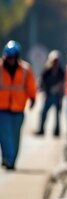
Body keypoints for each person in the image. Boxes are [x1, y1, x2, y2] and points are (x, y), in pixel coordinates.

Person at [0, 41, 37, 170]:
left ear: (17, 57)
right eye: (8, 57)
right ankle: (8, 159)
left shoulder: (25, 69)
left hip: (18, 109)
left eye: (13, 57)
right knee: (4, 135)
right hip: (2, 108)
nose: (10, 60)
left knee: (15, 137)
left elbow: (31, 86)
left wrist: (33, 98)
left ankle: (12, 160)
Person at [36, 50, 65, 137]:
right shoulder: (46, 71)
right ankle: (41, 130)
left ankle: (57, 131)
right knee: (43, 113)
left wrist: (58, 88)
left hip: (57, 96)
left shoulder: (61, 71)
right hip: (48, 95)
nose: (55, 63)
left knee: (57, 115)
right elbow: (42, 82)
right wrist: (43, 92)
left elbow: (63, 82)